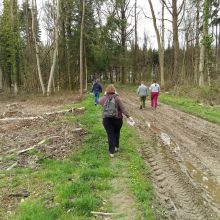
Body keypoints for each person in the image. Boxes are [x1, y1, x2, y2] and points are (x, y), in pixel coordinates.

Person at [98, 84, 134, 158]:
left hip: (107, 120)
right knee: (117, 133)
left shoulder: (104, 98)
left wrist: (105, 95)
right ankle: (116, 147)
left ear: (106, 91)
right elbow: (123, 108)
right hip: (117, 119)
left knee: (110, 135)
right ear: (115, 91)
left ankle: (111, 152)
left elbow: (99, 101)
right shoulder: (117, 98)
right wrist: (128, 116)